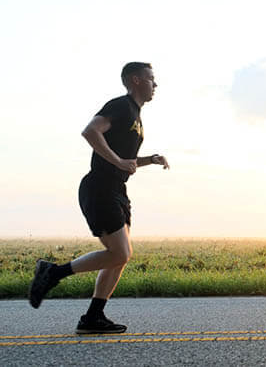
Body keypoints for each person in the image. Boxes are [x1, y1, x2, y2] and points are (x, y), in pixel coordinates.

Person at [28, 62, 170, 334]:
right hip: (100, 188)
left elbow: (124, 162)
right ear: (136, 80)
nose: (156, 84)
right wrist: (118, 161)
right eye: (152, 79)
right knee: (120, 252)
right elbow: (90, 132)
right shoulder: (121, 106)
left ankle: (93, 317)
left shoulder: (135, 115)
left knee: (119, 257)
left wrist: (148, 160)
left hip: (117, 189)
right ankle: (52, 273)